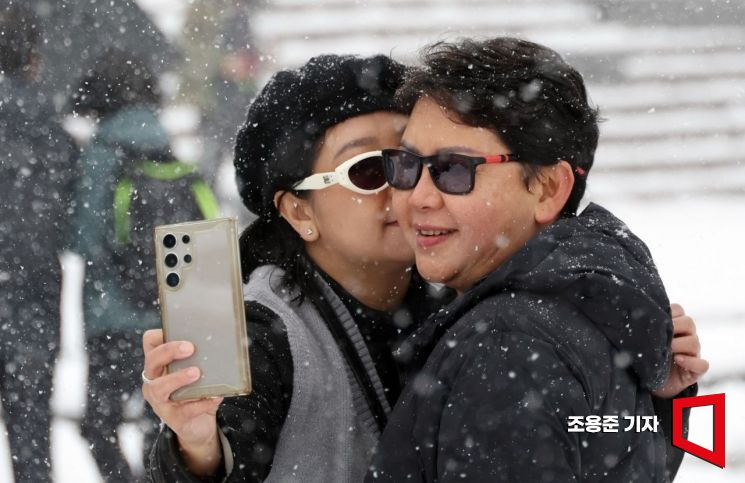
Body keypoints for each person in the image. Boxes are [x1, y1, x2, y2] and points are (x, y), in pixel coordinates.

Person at [143, 53, 704, 483]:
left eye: (414, 164)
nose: (410, 191)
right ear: (298, 211)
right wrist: (197, 446)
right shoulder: (265, 331)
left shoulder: (472, 296)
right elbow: (227, 445)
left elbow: (628, 443)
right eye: (372, 170)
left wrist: (658, 398)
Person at [366, 37, 709, 482]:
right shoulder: (586, 299)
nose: (418, 197)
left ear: (548, 188)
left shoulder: (506, 349)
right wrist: (653, 403)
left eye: (454, 170)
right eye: (406, 164)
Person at [71, 50, 219, 482]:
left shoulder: (102, 153)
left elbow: (86, 239)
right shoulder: (166, 148)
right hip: (168, 322)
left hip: (111, 319)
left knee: (99, 426)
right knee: (161, 424)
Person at [0, 3, 79, 481]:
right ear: (34, 60)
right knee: (31, 436)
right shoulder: (51, 130)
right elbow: (74, 220)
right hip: (32, 289)